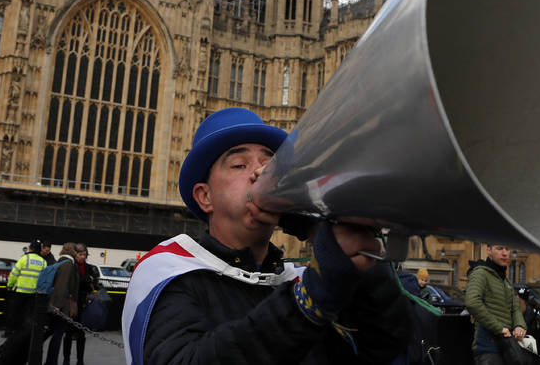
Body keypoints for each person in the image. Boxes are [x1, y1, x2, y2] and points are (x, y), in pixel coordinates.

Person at [122, 107, 408, 365]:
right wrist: (305, 303)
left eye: (270, 165)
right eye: (239, 165)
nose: (260, 172)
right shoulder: (171, 272)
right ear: (205, 196)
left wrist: (328, 237)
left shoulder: (294, 277)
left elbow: (385, 348)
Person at [465, 244, 527, 364]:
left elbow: (515, 307)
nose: (505, 253)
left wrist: (520, 325)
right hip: (488, 348)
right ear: (488, 250)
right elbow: (472, 302)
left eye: (507, 249)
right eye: (499, 248)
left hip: (507, 347)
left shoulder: (505, 279)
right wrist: (499, 328)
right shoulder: (480, 273)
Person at [44, 242, 80, 365]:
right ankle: (51, 362)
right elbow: (62, 285)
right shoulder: (68, 264)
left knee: (50, 332)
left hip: (53, 304)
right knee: (58, 335)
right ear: (73, 252)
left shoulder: (59, 262)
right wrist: (57, 306)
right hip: (61, 306)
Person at [63, 243, 98, 365]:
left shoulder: (89, 268)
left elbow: (95, 285)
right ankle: (66, 359)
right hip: (71, 303)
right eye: (80, 254)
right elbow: (71, 284)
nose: (83, 257)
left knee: (81, 334)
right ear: (75, 254)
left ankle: (80, 360)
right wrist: (86, 281)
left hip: (83, 303)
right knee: (68, 333)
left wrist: (92, 282)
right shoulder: (71, 266)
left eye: (85, 254)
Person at [5, 240, 46, 336]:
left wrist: (9, 285)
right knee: (28, 313)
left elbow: (14, 274)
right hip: (33, 293)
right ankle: (24, 332)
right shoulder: (43, 262)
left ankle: (9, 331)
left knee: (14, 311)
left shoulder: (24, 259)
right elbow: (43, 278)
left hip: (20, 291)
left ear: (30, 248)